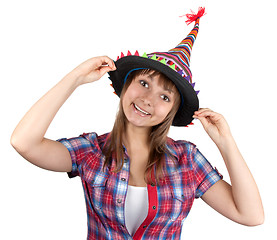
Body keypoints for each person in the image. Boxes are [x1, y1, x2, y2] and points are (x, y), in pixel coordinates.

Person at [10, 7, 264, 240]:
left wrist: (226, 142)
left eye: (164, 96)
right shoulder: (91, 151)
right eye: (144, 83)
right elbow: (24, 143)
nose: (148, 100)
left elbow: (250, 216)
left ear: (171, 111)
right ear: (126, 86)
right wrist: (75, 77)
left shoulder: (187, 160)